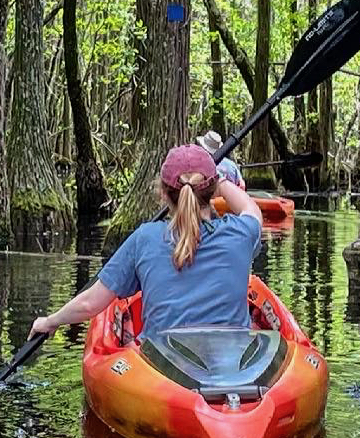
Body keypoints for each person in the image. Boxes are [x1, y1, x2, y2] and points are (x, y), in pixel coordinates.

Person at [31, 144, 262, 339]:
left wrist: (51, 321)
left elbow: (90, 305)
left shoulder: (146, 238)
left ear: (163, 193)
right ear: (213, 192)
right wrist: (220, 181)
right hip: (233, 363)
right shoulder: (240, 233)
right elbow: (250, 209)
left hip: (163, 366)